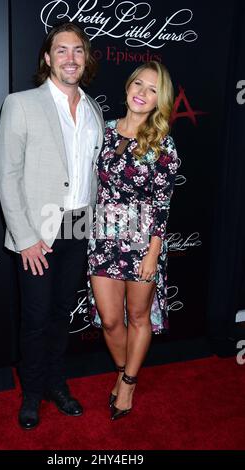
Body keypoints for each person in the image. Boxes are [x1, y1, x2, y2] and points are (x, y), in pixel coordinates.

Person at [0, 22, 104, 430]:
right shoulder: (21, 104)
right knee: (36, 317)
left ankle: (57, 383)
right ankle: (32, 393)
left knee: (60, 313)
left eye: (78, 51)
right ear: (47, 58)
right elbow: (7, 174)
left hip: (78, 224)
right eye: (62, 50)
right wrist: (25, 239)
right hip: (37, 228)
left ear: (86, 59)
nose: (70, 58)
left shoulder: (93, 109)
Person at [88, 61, 178, 420]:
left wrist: (153, 253)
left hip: (144, 243)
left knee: (139, 317)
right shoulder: (103, 132)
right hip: (102, 237)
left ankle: (128, 382)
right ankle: (126, 369)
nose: (142, 93)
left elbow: (162, 205)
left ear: (160, 100)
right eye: (138, 84)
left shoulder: (163, 143)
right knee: (111, 320)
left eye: (152, 89)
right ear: (127, 88)